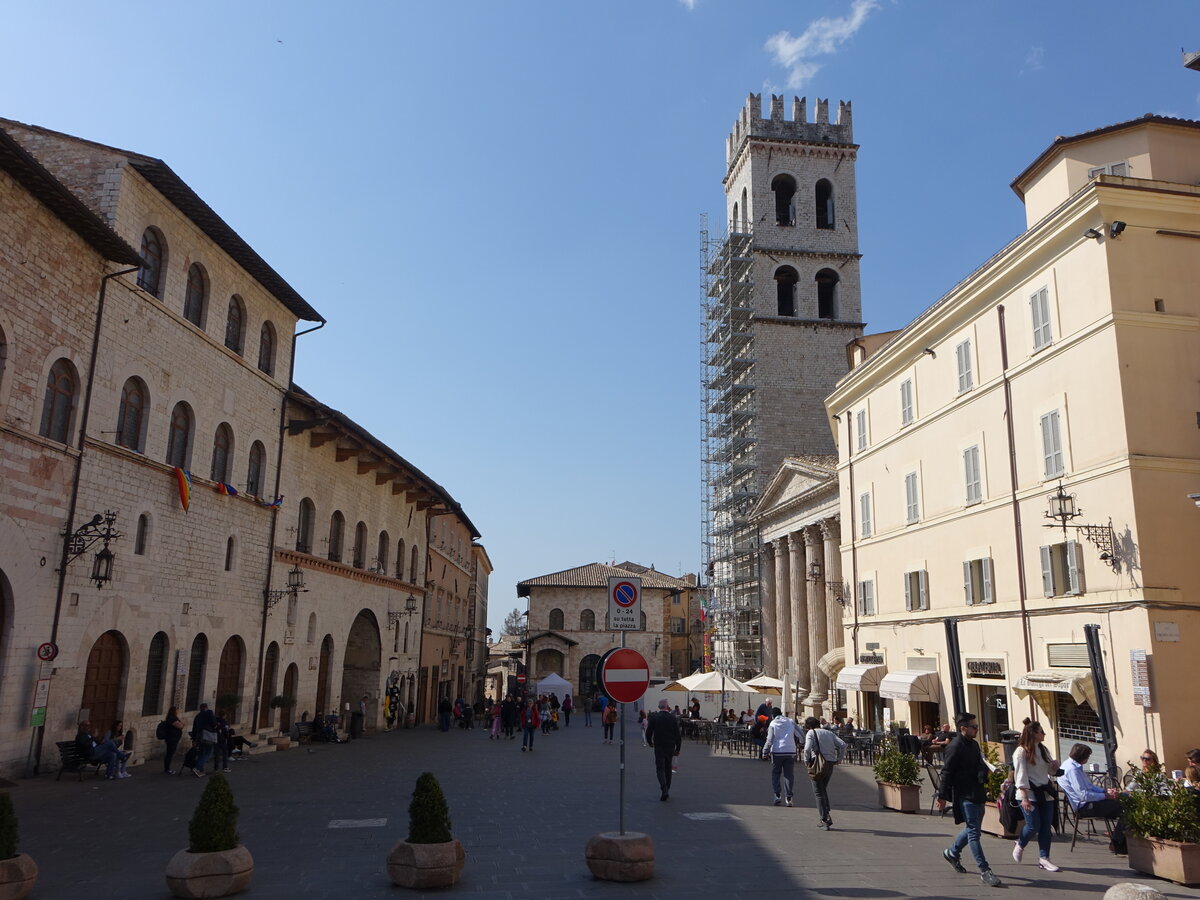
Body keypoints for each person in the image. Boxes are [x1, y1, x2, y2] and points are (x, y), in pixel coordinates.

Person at [937, 711, 1001, 887]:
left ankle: (952, 852)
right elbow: (946, 772)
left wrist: (983, 772)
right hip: (965, 794)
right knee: (974, 832)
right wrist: (942, 796)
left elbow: (979, 763)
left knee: (973, 829)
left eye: (977, 726)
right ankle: (985, 870)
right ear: (963, 728)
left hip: (978, 792)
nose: (977, 729)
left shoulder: (973, 745)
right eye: (974, 727)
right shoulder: (955, 746)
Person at [1013, 719, 1061, 872]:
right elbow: (1020, 774)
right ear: (1034, 734)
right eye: (1041, 731)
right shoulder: (1021, 751)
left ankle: (1044, 858)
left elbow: (1049, 771)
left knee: (1046, 827)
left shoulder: (1043, 749)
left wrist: (1054, 767)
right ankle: (1020, 843)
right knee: (1033, 825)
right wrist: (1024, 797)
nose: (1044, 734)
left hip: (1045, 792)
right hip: (1029, 793)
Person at [1060, 743, 1126, 854]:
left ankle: (1118, 840)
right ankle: (1118, 844)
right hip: (1085, 807)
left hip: (1088, 802)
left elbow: (1089, 786)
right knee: (1126, 809)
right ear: (1083, 758)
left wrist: (1105, 791)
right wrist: (1106, 796)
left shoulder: (1071, 765)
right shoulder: (1072, 770)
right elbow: (1084, 795)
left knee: (1121, 803)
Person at [803, 716, 846, 831]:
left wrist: (806, 760)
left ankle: (825, 818)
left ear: (809, 726)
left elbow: (807, 748)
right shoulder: (829, 733)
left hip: (817, 763)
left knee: (818, 791)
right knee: (822, 788)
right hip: (830, 763)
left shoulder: (811, 733)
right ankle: (826, 813)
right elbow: (843, 745)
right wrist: (839, 758)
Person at [645, 699, 682, 801]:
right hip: (670, 746)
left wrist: (650, 742)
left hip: (659, 746)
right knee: (668, 768)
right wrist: (678, 748)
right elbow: (678, 735)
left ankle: (664, 789)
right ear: (667, 706)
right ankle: (667, 789)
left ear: (659, 707)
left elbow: (649, 732)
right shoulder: (672, 718)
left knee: (660, 768)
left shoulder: (654, 717)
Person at [761, 709, 800, 806]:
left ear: (773, 715)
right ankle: (789, 798)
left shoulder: (773, 723)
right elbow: (800, 734)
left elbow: (769, 739)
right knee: (789, 775)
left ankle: (777, 795)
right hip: (790, 751)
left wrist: (765, 751)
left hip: (777, 751)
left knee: (776, 773)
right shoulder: (790, 721)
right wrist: (802, 743)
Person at [190, 703, 218, 777]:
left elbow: (194, 728)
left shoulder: (198, 716)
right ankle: (197, 767)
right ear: (206, 707)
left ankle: (200, 770)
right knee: (209, 753)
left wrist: (193, 739)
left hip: (199, 736)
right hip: (207, 735)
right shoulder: (209, 713)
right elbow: (214, 723)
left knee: (201, 753)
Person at [160, 706, 185, 774]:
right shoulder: (172, 718)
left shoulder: (172, 718)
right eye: (177, 710)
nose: (177, 711)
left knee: (170, 753)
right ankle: (167, 769)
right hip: (172, 739)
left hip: (172, 738)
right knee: (170, 754)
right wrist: (182, 724)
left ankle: (167, 768)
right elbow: (180, 726)